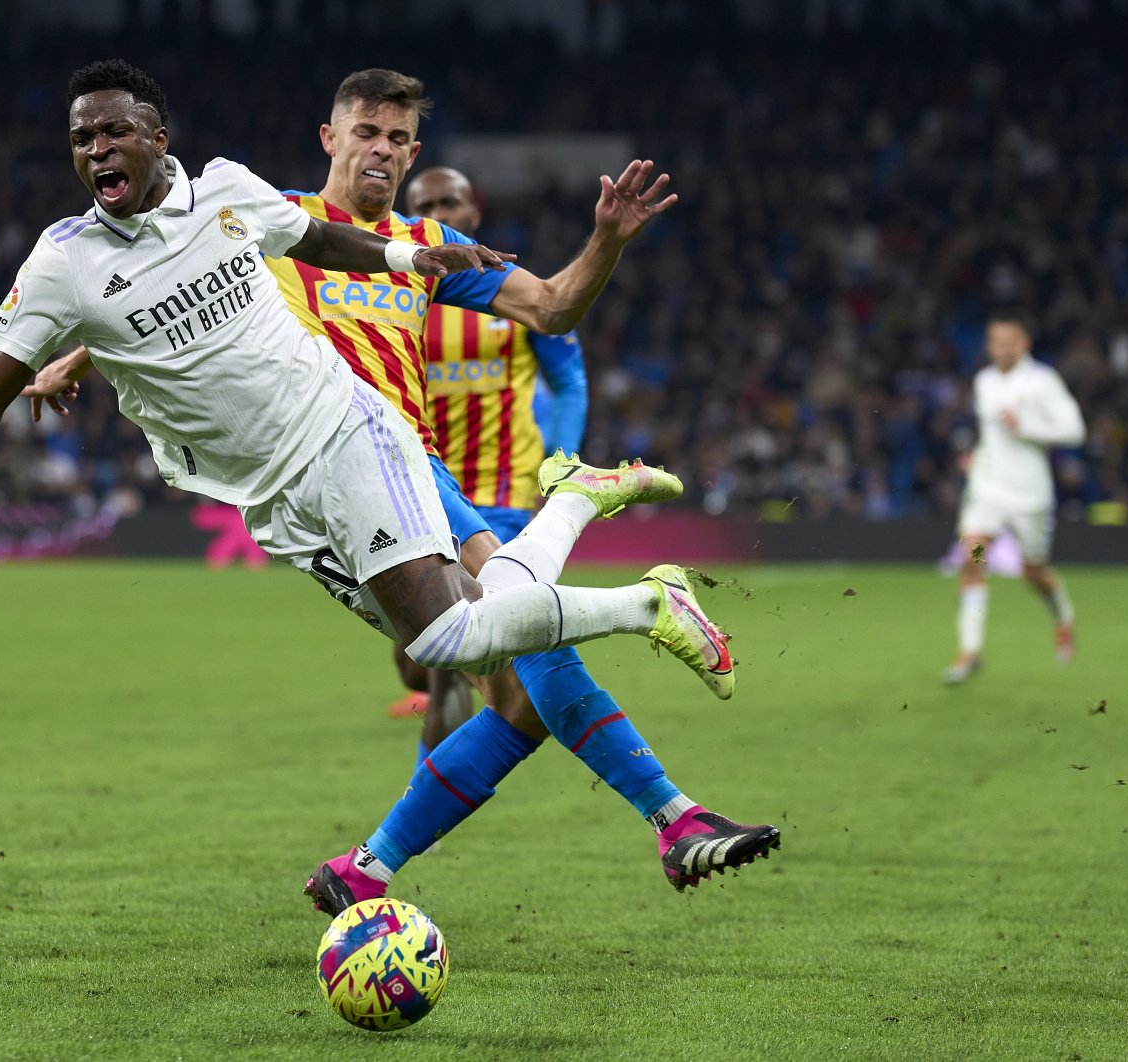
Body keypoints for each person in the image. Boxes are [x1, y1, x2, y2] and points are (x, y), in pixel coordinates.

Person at [0, 61, 689, 690]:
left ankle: (647, 605)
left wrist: (404, 257)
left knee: (446, 638)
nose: (97, 148)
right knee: (464, 645)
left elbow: (318, 242)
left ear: (160, 141)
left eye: (115, 130)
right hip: (268, 497)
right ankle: (578, 504)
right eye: (82, 138)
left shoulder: (228, 193)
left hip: (345, 429)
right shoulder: (62, 263)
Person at [251, 69, 775, 908]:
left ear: (414, 152)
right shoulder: (278, 222)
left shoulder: (427, 252)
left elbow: (555, 309)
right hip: (333, 488)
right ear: (329, 137)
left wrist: (606, 239)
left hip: (417, 476)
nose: (379, 148)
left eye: (397, 137)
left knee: (513, 652)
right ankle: (375, 864)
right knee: (510, 684)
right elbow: (182, 294)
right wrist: (78, 352)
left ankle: (673, 817)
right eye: (365, 131)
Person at [386, 166, 591, 758]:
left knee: (462, 650)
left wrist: (562, 467)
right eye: (428, 204)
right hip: (418, 494)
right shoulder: (398, 291)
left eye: (451, 201)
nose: (442, 212)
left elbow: (569, 381)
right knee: (415, 664)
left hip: (503, 497)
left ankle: (417, 817)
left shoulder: (503, 291)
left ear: (474, 213)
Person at [945, 314, 1085, 684]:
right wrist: (978, 454)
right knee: (973, 554)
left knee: (1033, 572)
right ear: (989, 346)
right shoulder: (984, 381)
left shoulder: (1043, 382)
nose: (1003, 348)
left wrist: (1027, 429)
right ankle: (970, 650)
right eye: (996, 341)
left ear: (1024, 343)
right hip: (987, 492)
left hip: (1029, 496)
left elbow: (1075, 430)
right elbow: (992, 435)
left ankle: (1062, 615)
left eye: (1011, 341)